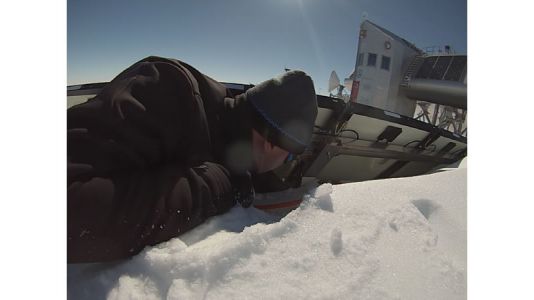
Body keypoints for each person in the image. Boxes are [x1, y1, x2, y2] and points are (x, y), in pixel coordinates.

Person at [67, 56, 318, 263]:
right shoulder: (167, 88)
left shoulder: (235, 137)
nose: (288, 162)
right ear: (272, 142)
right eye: (291, 155)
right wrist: (218, 184)